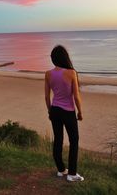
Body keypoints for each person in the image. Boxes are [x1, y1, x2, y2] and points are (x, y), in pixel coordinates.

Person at [45, 45, 84, 182]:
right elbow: (76, 96)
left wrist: (50, 111)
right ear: (65, 57)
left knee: (58, 140)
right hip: (68, 111)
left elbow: (46, 97)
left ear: (54, 59)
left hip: (55, 110)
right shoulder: (71, 73)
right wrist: (80, 112)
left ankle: (61, 170)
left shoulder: (48, 74)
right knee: (74, 141)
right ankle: (72, 173)